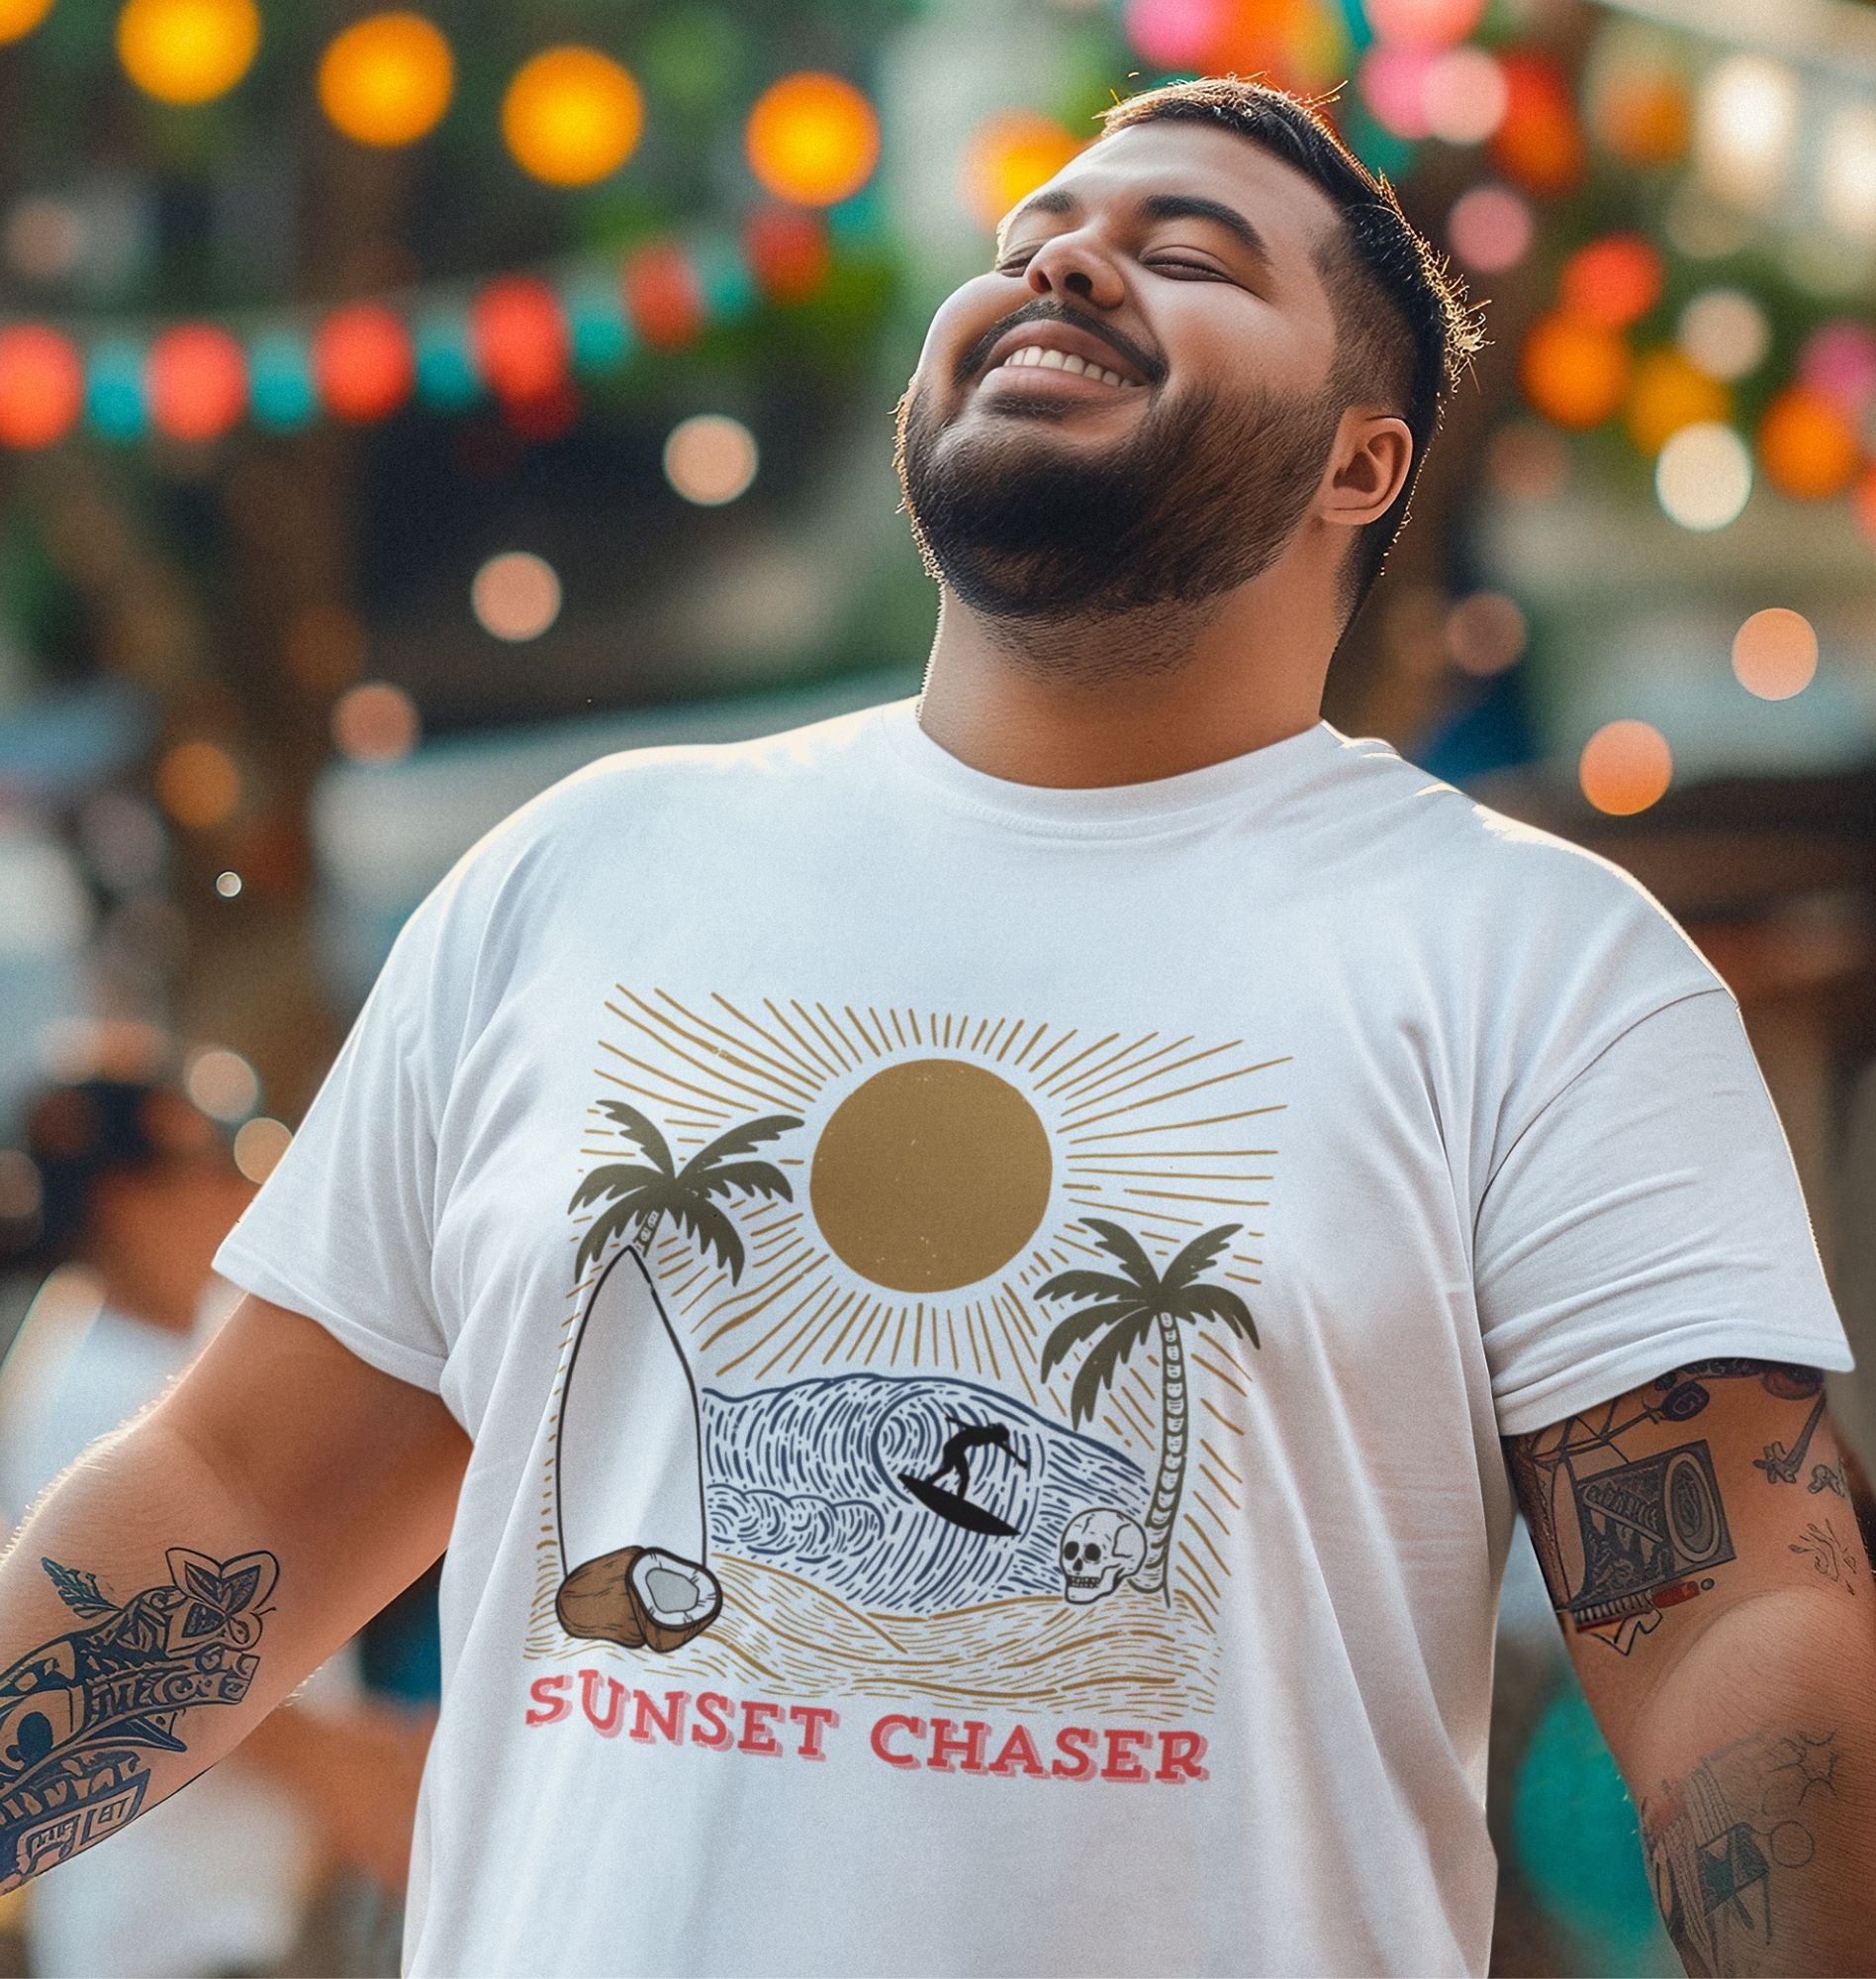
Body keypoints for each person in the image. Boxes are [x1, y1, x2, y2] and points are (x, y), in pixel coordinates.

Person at [0, 74, 1870, 1978]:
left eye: (1187, 250)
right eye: (1031, 236)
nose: (1066, 256)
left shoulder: (1539, 964)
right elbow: (237, 1498)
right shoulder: (580, 871)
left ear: (1361, 465)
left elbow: (1726, 1606)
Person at [0, 1060, 428, 1974]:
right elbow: (134, 1656)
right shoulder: (92, 1381)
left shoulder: (196, 1333)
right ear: (126, 1199)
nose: (243, 1179)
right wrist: (366, 1777)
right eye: (210, 1155)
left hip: (242, 1907)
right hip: (168, 1928)